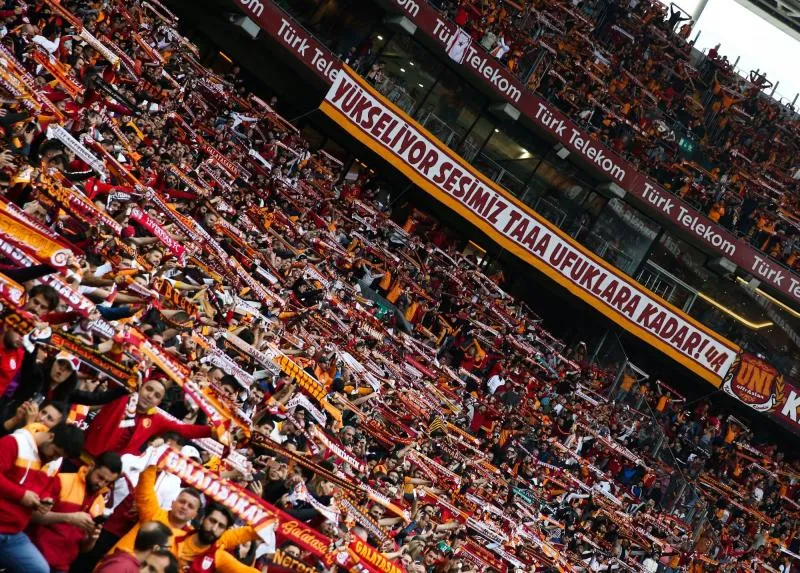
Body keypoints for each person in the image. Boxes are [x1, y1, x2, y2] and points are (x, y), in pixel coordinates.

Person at [0, 422, 85, 573]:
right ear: (51, 436)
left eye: (60, 456)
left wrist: (44, 501)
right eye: (56, 453)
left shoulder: (53, 461)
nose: (55, 458)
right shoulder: (15, 443)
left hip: (14, 533)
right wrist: (21, 495)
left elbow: (43, 490)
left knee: (40, 570)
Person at [27, 451, 123, 573]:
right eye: (100, 477)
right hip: (35, 555)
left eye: (107, 482)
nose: (101, 484)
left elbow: (83, 548)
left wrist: (91, 539)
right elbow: (33, 515)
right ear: (91, 466)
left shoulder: (100, 503)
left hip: (62, 567)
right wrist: (68, 518)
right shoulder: (62, 481)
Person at [82, 378, 213, 459]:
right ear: (140, 388)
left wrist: (212, 432)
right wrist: (118, 346)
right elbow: (115, 366)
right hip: (84, 456)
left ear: (159, 402)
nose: (150, 396)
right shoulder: (121, 394)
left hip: (111, 475)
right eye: (148, 389)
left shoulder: (157, 420)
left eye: (156, 395)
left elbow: (183, 429)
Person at [111, 461, 203, 557]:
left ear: (194, 515)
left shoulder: (191, 539)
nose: (184, 507)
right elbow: (145, 484)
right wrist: (156, 457)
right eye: (182, 502)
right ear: (172, 503)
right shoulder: (153, 513)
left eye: (190, 506)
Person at [176, 502, 259, 572]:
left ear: (224, 531)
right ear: (202, 519)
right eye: (212, 521)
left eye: (221, 526)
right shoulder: (176, 536)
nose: (214, 528)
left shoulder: (218, 557)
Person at [94, 521, 174, 573]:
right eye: (166, 548)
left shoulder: (134, 566)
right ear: (155, 548)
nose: (167, 552)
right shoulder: (122, 566)